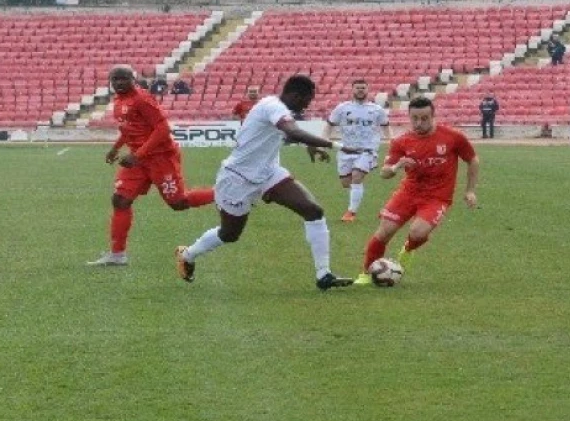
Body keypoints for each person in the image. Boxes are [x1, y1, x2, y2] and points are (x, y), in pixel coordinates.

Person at [175, 74, 355, 291]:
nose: (307, 106)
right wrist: (336, 146)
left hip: (269, 173)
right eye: (306, 101)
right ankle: (188, 254)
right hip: (237, 178)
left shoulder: (279, 109)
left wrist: (311, 145)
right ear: (294, 95)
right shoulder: (273, 106)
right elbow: (292, 131)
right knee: (229, 234)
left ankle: (323, 275)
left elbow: (283, 135)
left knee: (313, 210)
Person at [87, 64, 216, 266]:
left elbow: (163, 128)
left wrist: (138, 154)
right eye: (115, 79)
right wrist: (116, 148)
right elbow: (129, 128)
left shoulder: (142, 99)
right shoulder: (119, 100)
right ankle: (117, 255)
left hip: (160, 158)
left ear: (133, 79)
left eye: (124, 78)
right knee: (120, 200)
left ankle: (224, 194)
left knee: (178, 203)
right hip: (138, 160)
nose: (119, 83)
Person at [354, 96, 478, 285]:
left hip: (437, 196)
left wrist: (470, 190)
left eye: (424, 118)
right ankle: (366, 272)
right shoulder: (401, 141)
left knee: (418, 232)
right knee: (384, 231)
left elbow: (472, 160)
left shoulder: (452, 137)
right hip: (408, 193)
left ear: (433, 116)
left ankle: (408, 248)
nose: (419, 123)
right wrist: (397, 167)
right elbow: (384, 173)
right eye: (415, 119)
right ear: (409, 117)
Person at [323, 79, 391, 222]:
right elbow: (329, 124)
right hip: (346, 150)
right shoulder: (342, 108)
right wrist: (323, 140)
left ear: (368, 90)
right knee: (346, 183)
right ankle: (358, 194)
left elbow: (385, 126)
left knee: (357, 177)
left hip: (367, 150)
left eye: (363, 88)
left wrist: (392, 143)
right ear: (352, 90)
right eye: (357, 88)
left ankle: (351, 213)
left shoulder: (376, 109)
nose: (360, 90)